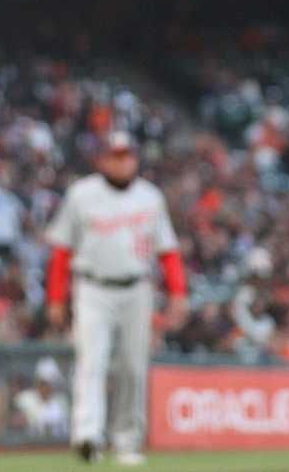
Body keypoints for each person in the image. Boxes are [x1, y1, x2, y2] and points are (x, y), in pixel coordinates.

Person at [45, 131, 188, 465]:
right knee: (91, 361)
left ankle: (127, 440)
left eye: (127, 156)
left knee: (133, 366)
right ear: (102, 159)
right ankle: (87, 436)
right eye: (116, 156)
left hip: (138, 288)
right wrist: (55, 297)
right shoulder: (82, 194)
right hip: (92, 288)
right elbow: (61, 251)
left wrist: (178, 294)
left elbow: (168, 252)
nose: (123, 162)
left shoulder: (150, 197)